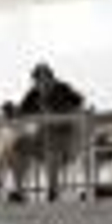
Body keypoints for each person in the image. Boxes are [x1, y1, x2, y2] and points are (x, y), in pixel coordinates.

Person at [14, 62, 87, 200]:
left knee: (51, 145)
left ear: (51, 78)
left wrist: (59, 112)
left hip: (66, 140)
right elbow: (21, 113)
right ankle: (19, 191)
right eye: (38, 80)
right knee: (18, 145)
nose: (41, 83)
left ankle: (53, 191)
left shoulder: (63, 89)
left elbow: (79, 104)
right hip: (42, 139)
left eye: (44, 79)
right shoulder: (33, 94)